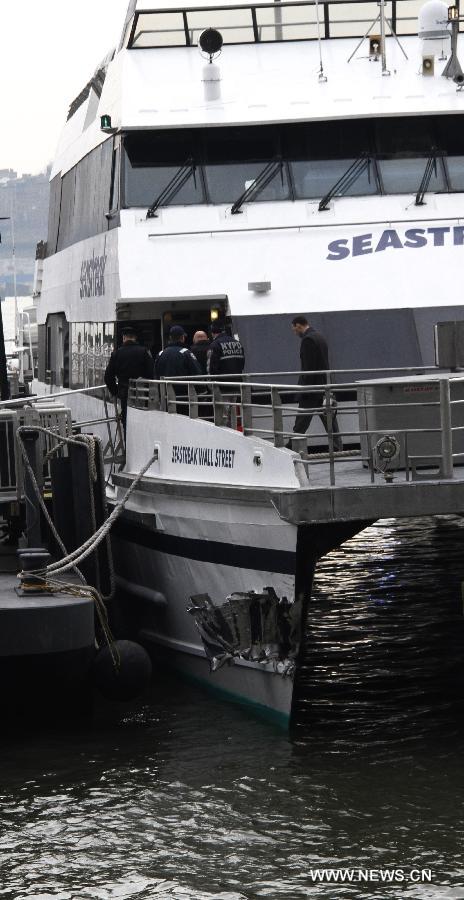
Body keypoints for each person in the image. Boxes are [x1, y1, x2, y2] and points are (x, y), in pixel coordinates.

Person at [288, 315, 343, 451]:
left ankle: (290, 448)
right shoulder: (319, 336)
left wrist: (305, 390)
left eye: (294, 330)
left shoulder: (307, 340)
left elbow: (308, 367)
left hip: (312, 390)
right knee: (330, 421)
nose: (295, 333)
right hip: (324, 387)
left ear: (298, 325)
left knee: (301, 423)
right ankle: (338, 447)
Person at [104, 326, 155, 436]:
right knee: (143, 423)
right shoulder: (144, 352)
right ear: (135, 338)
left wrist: (116, 392)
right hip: (143, 394)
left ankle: (129, 449)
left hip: (125, 394)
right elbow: (151, 373)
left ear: (124, 338)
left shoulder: (116, 354)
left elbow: (108, 377)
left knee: (127, 424)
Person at [155, 325, 202, 413]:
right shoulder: (186, 353)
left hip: (165, 398)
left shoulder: (160, 354)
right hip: (184, 398)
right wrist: (202, 392)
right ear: (182, 338)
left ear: (170, 338)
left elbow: (155, 375)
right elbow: (197, 373)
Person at [207, 322, 245, 426]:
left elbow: (211, 368)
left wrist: (211, 386)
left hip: (222, 387)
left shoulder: (215, 345)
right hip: (236, 385)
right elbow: (242, 364)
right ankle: (234, 432)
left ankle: (225, 436)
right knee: (234, 413)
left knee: (222, 415)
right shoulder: (237, 343)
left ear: (213, 333)